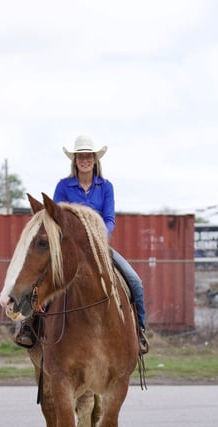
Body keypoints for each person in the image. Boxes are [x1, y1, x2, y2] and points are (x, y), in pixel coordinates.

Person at [15, 134, 149, 354]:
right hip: (68, 250)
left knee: (135, 282)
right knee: (45, 281)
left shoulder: (106, 187)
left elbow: (109, 219)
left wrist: (99, 237)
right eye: (80, 156)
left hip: (99, 247)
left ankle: (139, 332)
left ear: (95, 159)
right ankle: (29, 326)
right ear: (75, 160)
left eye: (88, 156)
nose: (85, 160)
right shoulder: (64, 186)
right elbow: (53, 218)